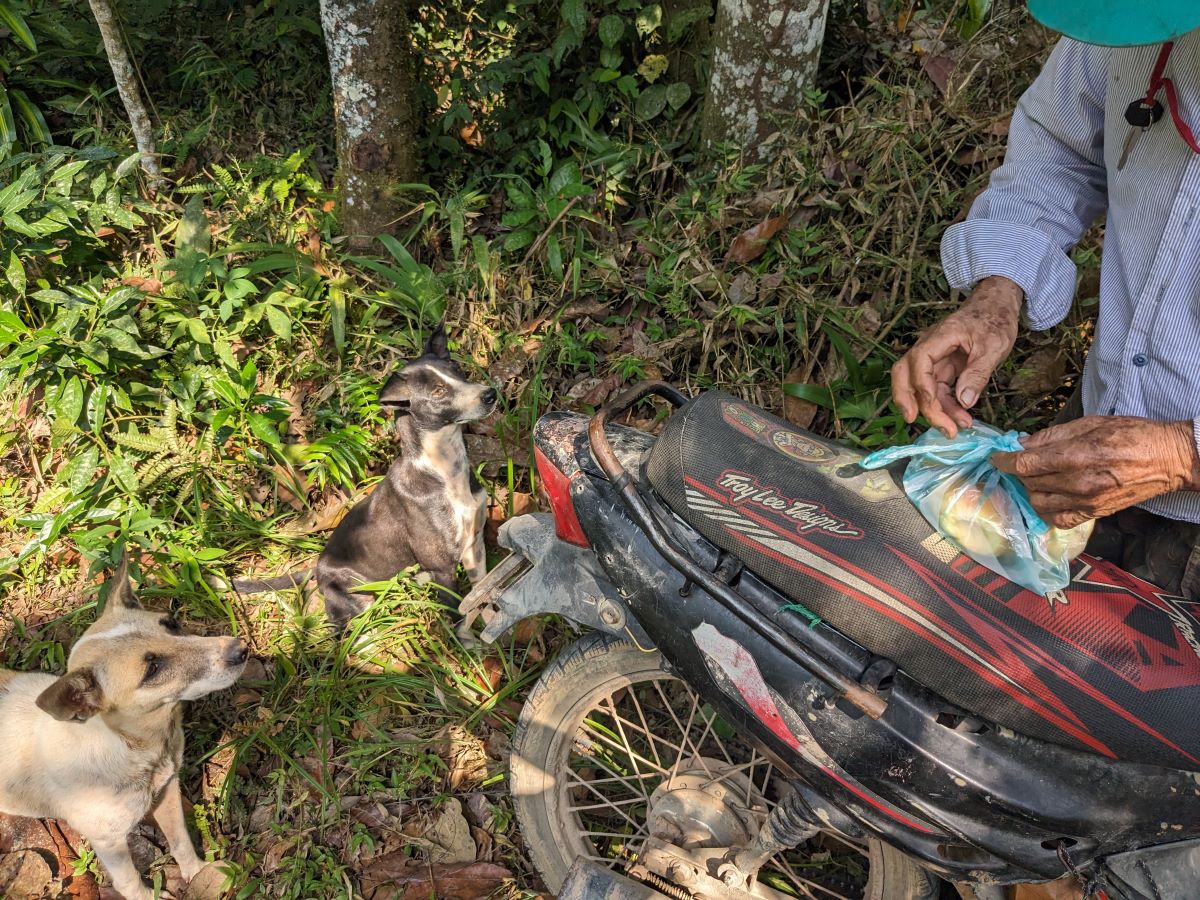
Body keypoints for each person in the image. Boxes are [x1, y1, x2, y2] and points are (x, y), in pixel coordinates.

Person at [891, 0, 1200, 597]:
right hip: (1091, 444)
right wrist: (998, 294)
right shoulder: (1133, 21)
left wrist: (1178, 454)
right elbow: (1059, 148)